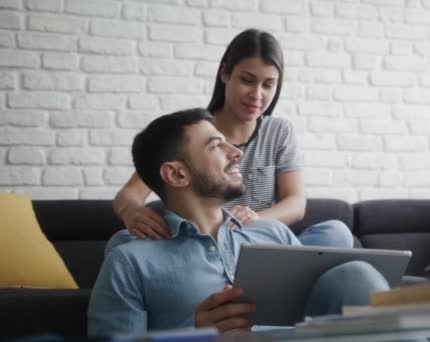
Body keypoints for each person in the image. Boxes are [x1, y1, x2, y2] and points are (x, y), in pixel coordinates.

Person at [87, 109, 389, 336]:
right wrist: (196, 337)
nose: (237, 152)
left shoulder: (273, 232)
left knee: (355, 274)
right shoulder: (130, 262)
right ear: (177, 174)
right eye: (216, 145)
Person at [111, 28, 352, 248]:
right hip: (201, 243)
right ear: (225, 73)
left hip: (257, 240)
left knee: (337, 233)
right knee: (121, 242)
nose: (257, 95)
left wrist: (256, 219)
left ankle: (267, 274)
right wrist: (131, 211)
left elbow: (296, 202)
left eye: (268, 85)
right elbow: (129, 195)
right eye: (247, 80)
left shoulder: (279, 131)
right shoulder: (194, 132)